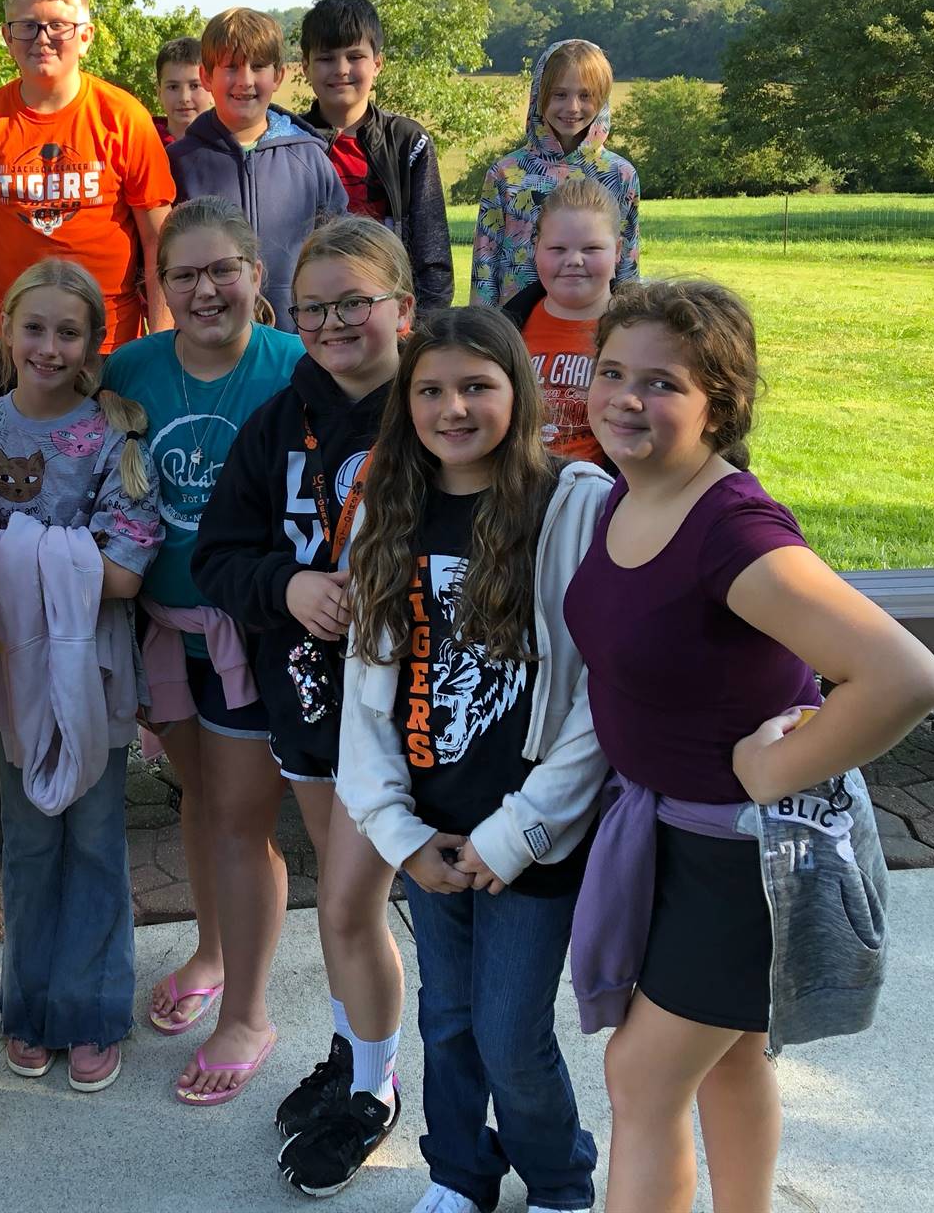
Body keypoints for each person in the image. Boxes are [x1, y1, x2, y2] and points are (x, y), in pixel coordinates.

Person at [563, 280, 934, 1213]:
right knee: (730, 1058)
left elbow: (904, 676)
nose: (624, 399)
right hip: (674, 839)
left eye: (661, 384)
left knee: (642, 1079)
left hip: (742, 855)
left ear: (719, 405)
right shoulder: (632, 490)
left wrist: (772, 767)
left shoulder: (731, 532)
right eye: (611, 372)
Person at [336, 304, 613, 1213]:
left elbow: (594, 700)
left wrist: (518, 835)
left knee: (509, 1032)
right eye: (430, 390)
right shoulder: (389, 506)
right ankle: (459, 1174)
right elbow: (368, 691)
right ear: (405, 403)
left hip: (533, 833)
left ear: (518, 391)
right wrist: (398, 834)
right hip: (429, 828)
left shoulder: (572, 507)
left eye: (477, 387)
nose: (453, 408)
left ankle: (561, 1181)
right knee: (447, 1023)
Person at [192, 217, 414, 1193]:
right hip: (310, 704)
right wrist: (287, 588)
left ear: (402, 308)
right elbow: (218, 556)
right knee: (343, 896)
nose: (332, 322)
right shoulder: (281, 423)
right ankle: (351, 1051)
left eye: (354, 303)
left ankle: (378, 1088)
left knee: (356, 906)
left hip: (412, 717)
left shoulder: (440, 412)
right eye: (315, 306)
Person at [100, 197, 304, 1106]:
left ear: (259, 278)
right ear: (160, 287)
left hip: (255, 629)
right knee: (200, 801)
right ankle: (213, 953)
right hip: (163, 628)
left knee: (239, 819)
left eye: (224, 270)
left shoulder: (295, 367)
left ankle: (249, 1014)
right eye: (183, 274)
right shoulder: (130, 369)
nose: (205, 288)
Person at [0, 259, 163, 1094]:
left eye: (68, 331)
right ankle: (29, 1008)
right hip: (8, 677)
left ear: (91, 344)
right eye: (34, 327)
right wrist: (53, 553)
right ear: (5, 331)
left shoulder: (114, 438)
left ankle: (96, 1009)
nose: (48, 345)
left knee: (98, 843)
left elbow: (125, 574)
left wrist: (12, 548)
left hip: (96, 672)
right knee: (31, 844)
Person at [0, 0, 175, 409]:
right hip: (11, 341)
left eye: (58, 26)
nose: (43, 39)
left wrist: (160, 342)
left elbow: (158, 237)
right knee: (14, 473)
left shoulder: (123, 118)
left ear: (85, 35)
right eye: (27, 27)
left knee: (112, 471)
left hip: (107, 341)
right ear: (7, 38)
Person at [166, 6, 346, 328]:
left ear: (278, 76)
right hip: (207, 342)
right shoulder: (178, 163)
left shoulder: (310, 159)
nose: (245, 80)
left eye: (259, 66)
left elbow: (341, 252)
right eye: (231, 67)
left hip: (299, 341)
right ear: (207, 76)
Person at [299, 0, 454, 312]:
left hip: (391, 321)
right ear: (305, 67)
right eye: (326, 59)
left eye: (355, 56)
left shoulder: (408, 142)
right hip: (311, 320)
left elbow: (433, 258)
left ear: (377, 64)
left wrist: (420, 335)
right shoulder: (290, 142)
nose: (341, 70)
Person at [470, 38, 639, 308]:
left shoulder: (620, 175)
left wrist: (628, 328)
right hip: (516, 331)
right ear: (540, 95)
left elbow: (627, 265)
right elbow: (485, 265)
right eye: (560, 95)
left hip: (595, 327)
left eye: (585, 96)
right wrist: (483, 336)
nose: (572, 107)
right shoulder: (505, 174)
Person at [502, 177, 624, 468]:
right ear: (536, 249)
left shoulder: (640, 332)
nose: (574, 260)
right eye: (557, 249)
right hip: (515, 488)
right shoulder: (506, 328)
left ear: (618, 252)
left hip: (602, 496)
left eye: (592, 249)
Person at [154, 35, 212, 146]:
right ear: (159, 92)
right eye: (173, 87)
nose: (184, 98)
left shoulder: (230, 146)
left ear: (211, 88)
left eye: (194, 86)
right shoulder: (142, 144)